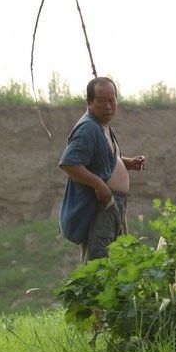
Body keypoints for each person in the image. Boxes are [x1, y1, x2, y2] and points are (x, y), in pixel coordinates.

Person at [58, 76, 148, 263]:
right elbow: (70, 163)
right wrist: (99, 184)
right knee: (99, 264)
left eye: (112, 100)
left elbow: (104, 159)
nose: (108, 106)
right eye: (101, 101)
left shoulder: (104, 127)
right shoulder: (88, 129)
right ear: (89, 103)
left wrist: (128, 163)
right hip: (99, 207)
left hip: (115, 205)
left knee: (116, 262)